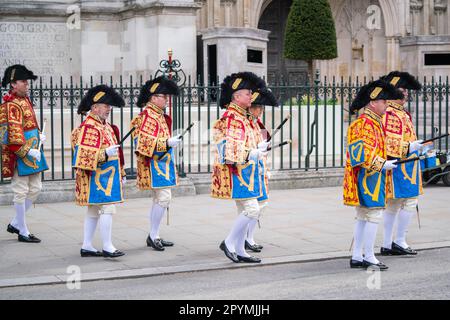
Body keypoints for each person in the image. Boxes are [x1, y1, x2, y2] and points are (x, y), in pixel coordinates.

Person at [344, 79, 404, 270]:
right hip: (367, 177)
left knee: (364, 215)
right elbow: (360, 154)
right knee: (373, 215)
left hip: (374, 176)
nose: (386, 105)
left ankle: (357, 255)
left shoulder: (374, 122)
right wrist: (382, 163)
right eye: (384, 102)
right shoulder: (364, 123)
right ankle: (369, 256)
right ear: (373, 102)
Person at [212, 72, 267, 263]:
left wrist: (258, 148)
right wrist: (250, 153)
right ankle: (228, 243)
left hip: (249, 171)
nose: (251, 96)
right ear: (236, 96)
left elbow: (249, 140)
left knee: (244, 210)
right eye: (247, 93)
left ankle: (241, 250)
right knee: (252, 209)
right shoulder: (232, 117)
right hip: (240, 172)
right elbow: (229, 146)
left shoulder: (244, 116)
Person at [71, 85, 126, 258]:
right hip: (97, 178)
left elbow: (116, 155)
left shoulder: (105, 126)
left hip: (106, 178)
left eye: (109, 105)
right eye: (106, 105)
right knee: (107, 209)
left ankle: (87, 245)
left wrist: (122, 173)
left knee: (94, 211)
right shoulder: (90, 127)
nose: (109, 109)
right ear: (95, 107)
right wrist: (104, 153)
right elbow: (83, 157)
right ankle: (107, 246)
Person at [379, 71, 427, 256]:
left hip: (407, 164)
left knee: (394, 204)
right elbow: (388, 142)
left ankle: (388, 244)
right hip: (401, 166)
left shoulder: (398, 112)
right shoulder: (392, 113)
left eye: (406, 90)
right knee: (408, 201)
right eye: (402, 90)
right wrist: (410, 146)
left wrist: (417, 145)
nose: (406, 93)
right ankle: (398, 241)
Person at [131, 76, 180, 251]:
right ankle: (153, 235)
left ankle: (154, 234)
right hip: (154, 165)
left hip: (162, 163)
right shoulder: (148, 116)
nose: (166, 99)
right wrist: (166, 143)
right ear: (153, 98)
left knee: (159, 199)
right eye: (163, 96)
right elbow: (143, 142)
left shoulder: (157, 115)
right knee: (164, 198)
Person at [1, 64, 48, 243]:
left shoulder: (25, 100)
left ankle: (15, 223)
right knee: (20, 192)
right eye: (23, 82)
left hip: (33, 150)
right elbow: (11, 135)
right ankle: (23, 230)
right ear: (13, 84)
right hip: (19, 154)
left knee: (36, 189)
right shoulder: (9, 105)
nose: (27, 84)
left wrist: (38, 134)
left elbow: (28, 124)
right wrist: (28, 151)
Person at [244, 87, 279, 253]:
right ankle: (245, 238)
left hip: (260, 170)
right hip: (249, 171)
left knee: (262, 204)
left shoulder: (258, 124)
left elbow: (266, 144)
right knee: (250, 208)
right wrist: (257, 148)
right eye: (257, 107)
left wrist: (264, 147)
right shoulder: (246, 123)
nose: (260, 111)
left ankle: (249, 237)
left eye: (261, 108)